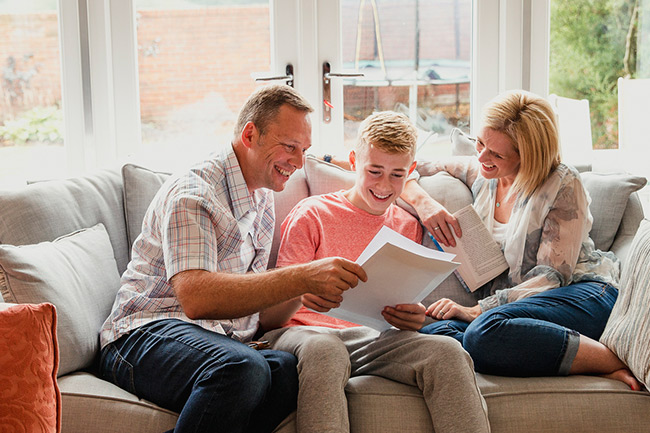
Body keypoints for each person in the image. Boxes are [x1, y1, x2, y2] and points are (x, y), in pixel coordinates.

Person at [99, 84, 370, 433]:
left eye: (304, 150)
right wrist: (301, 277)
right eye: (289, 146)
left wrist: (302, 293)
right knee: (242, 368)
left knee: (288, 372)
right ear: (250, 134)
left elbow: (262, 319)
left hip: (214, 340)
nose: (299, 162)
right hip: (140, 336)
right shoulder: (195, 193)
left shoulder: (261, 196)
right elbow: (197, 298)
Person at [261, 111, 491, 433]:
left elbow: (396, 304)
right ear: (354, 161)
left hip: (372, 339)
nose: (384, 185)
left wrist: (413, 317)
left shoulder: (407, 225)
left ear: (410, 171)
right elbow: (272, 314)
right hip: (305, 335)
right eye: (374, 171)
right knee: (327, 350)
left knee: (448, 351)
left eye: (397, 175)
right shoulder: (313, 213)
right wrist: (302, 292)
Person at [401, 90, 642, 390]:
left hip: (582, 294)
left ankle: (611, 361)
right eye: (479, 143)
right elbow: (408, 167)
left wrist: (477, 310)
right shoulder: (484, 174)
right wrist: (424, 203)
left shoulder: (562, 185)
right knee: (435, 331)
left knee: (482, 331)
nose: (481, 157)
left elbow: (550, 278)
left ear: (527, 156)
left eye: (496, 154)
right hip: (516, 312)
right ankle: (571, 360)